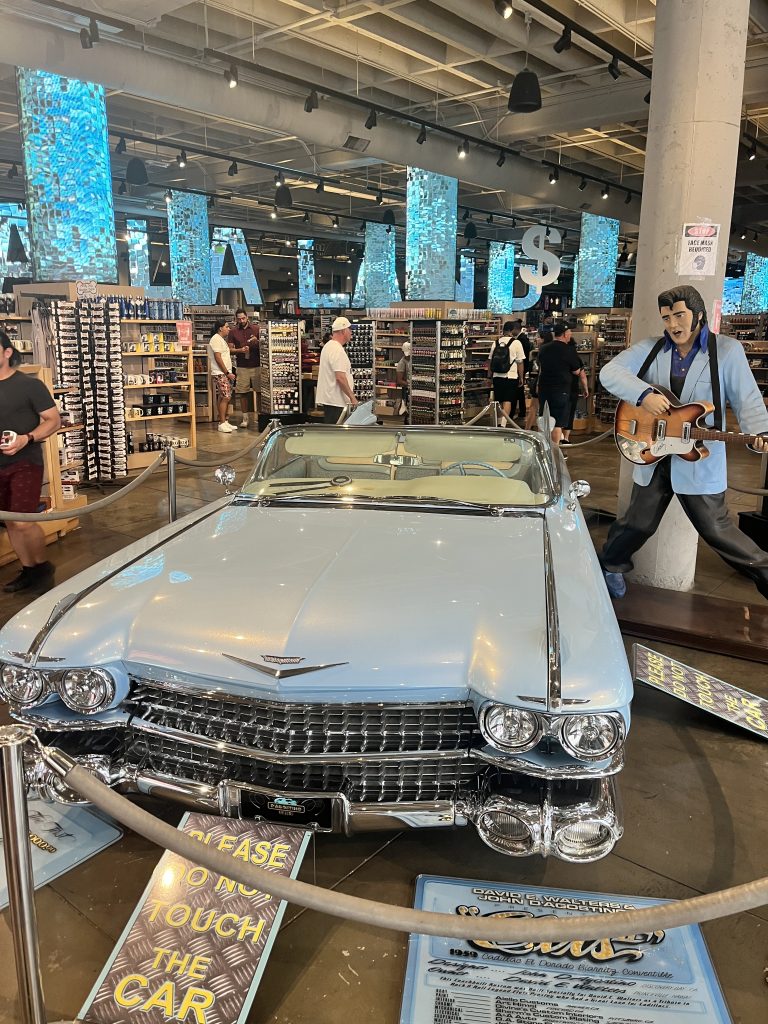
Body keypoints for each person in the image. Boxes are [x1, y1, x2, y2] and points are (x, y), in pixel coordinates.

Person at [599, 284, 768, 600]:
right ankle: (609, 564)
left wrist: (760, 433)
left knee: (717, 530)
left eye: (679, 315)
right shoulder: (651, 348)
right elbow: (610, 373)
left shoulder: (727, 351)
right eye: (666, 318)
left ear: (698, 314)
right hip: (653, 452)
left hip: (697, 457)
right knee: (637, 524)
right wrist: (644, 395)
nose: (673, 325)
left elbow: (747, 399)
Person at [0, 331, 61, 593]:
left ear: (7, 352)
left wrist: (27, 438)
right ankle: (29, 569)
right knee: (10, 521)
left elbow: (54, 420)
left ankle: (42, 565)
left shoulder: (29, 385)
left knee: (23, 520)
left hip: (25, 462)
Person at [537, 322, 587, 445]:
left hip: (544, 388)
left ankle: (542, 448)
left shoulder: (544, 348)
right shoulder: (568, 350)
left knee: (544, 419)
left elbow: (540, 367)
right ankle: (555, 450)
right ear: (564, 334)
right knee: (557, 422)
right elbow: (576, 371)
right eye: (569, 332)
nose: (571, 334)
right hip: (561, 389)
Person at [316, 316, 357, 423]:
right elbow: (340, 378)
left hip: (331, 401)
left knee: (332, 430)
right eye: (349, 329)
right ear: (343, 331)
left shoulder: (328, 346)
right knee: (337, 431)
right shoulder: (337, 350)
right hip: (337, 402)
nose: (351, 332)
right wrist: (352, 398)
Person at [228, 308, 260, 428]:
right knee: (242, 392)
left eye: (243, 318)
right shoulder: (233, 332)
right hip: (242, 366)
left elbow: (265, 345)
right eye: (239, 319)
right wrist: (240, 350)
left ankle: (260, 416)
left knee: (260, 392)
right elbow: (230, 349)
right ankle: (245, 418)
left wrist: (257, 341)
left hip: (257, 364)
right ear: (236, 319)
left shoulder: (256, 329)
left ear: (247, 317)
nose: (241, 320)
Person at [487, 321, 526, 419]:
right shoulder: (516, 343)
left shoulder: (496, 343)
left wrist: (489, 376)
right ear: (512, 330)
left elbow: (490, 361)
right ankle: (504, 423)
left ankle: (499, 421)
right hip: (511, 376)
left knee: (499, 400)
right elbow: (520, 362)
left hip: (497, 375)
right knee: (508, 400)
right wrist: (521, 377)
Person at [208, 320, 237, 433]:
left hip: (224, 372)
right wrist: (226, 372)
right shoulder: (216, 339)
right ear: (220, 328)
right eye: (227, 327)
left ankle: (224, 421)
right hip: (220, 372)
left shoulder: (221, 339)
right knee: (226, 397)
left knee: (223, 396)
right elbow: (218, 358)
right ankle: (221, 422)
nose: (229, 329)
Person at [524, 328, 552, 430]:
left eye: (539, 337)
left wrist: (538, 384)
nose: (536, 339)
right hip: (549, 382)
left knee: (535, 407)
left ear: (544, 339)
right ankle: (538, 431)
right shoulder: (550, 350)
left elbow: (541, 369)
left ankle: (528, 430)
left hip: (542, 381)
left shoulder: (543, 351)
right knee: (540, 408)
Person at [561, 335, 586, 445]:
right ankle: (566, 438)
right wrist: (585, 389)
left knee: (559, 412)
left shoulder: (559, 357)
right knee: (570, 413)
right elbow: (582, 376)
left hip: (560, 389)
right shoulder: (576, 358)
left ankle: (559, 436)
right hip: (573, 389)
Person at [395, 340, 411, 417]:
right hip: (407, 389)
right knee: (407, 411)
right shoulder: (402, 363)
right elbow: (399, 380)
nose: (407, 356)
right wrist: (409, 384)